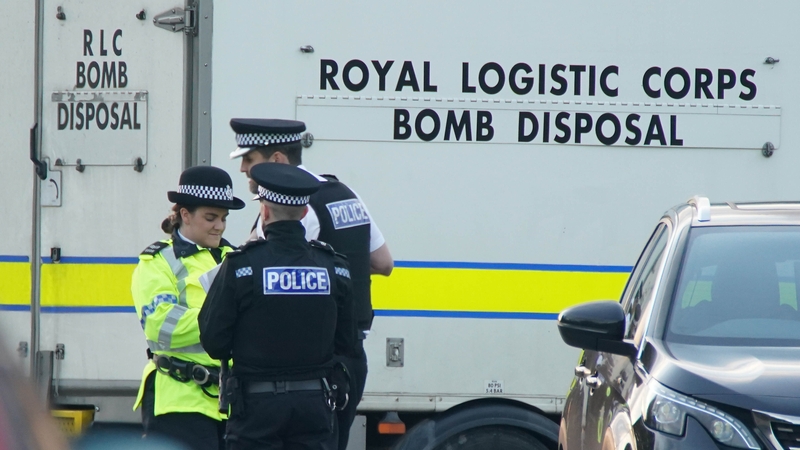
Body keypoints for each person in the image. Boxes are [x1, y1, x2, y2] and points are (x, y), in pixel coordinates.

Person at [229, 118, 392, 449]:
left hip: (310, 366)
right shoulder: (343, 193)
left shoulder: (295, 207)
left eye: (249, 158)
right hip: (350, 358)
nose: (244, 169)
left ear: (277, 160)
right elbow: (382, 263)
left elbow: (263, 273)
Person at [198, 162, 356, 450]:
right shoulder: (334, 266)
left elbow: (214, 342)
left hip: (255, 409)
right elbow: (347, 342)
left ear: (265, 211)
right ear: (304, 212)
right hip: (315, 407)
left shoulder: (241, 265)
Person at [131, 165, 245, 450]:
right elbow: (160, 325)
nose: (219, 226)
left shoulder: (235, 258)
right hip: (179, 400)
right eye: (210, 217)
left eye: (223, 218)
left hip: (232, 402)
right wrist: (223, 318)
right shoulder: (158, 261)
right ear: (185, 214)